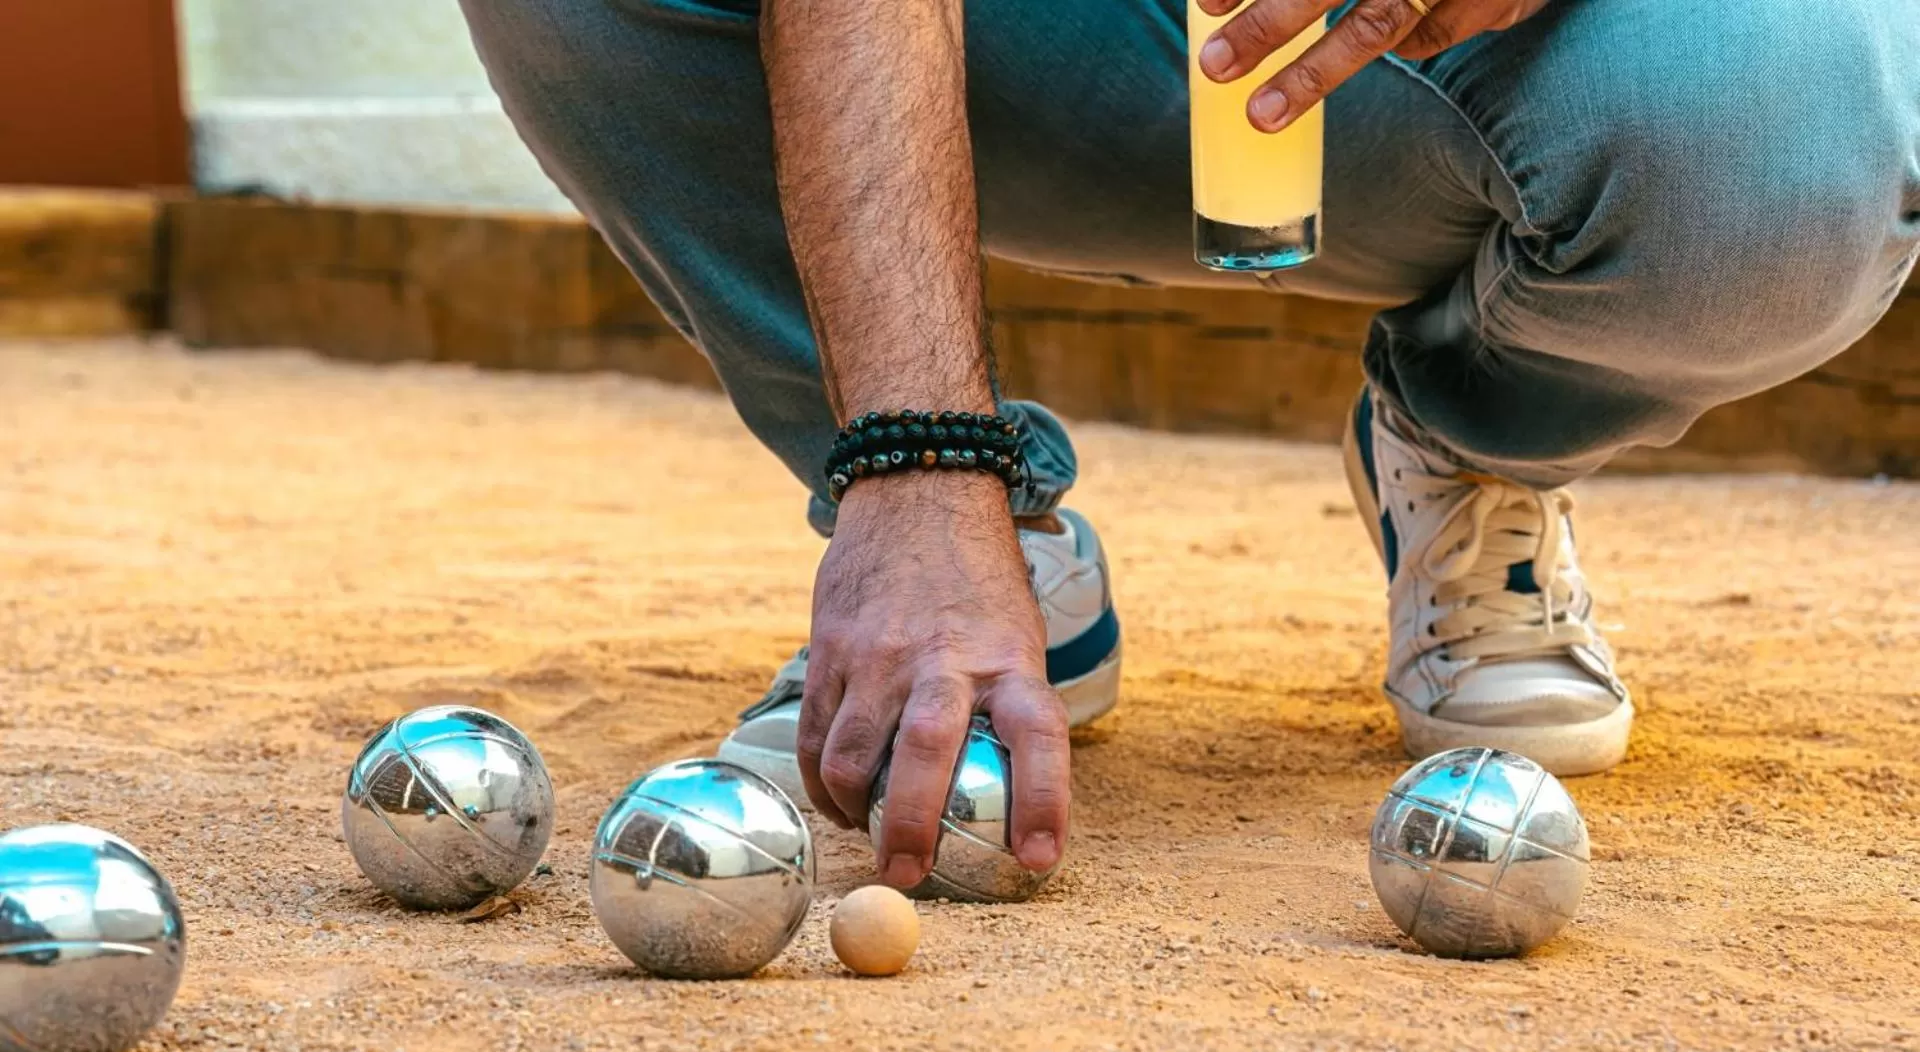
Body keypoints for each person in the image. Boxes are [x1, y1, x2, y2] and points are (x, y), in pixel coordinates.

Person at [456, 0, 1920, 890]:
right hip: (1047, 41)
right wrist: (914, 454)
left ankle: (1475, 438)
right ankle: (972, 539)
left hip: (1480, 59)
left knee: (1789, 135)